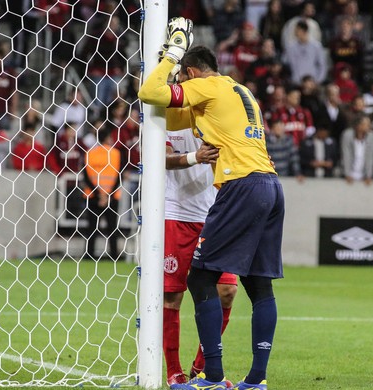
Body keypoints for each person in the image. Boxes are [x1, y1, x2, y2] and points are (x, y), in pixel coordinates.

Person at [138, 18, 284, 390]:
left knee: (200, 278)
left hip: (240, 186)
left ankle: (211, 376)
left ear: (191, 74)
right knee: (259, 286)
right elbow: (168, 113)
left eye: (184, 79)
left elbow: (149, 93)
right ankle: (256, 380)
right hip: (270, 185)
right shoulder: (240, 91)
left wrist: (170, 54)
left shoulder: (206, 88)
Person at [163, 128, 238, 386]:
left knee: (227, 290)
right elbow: (160, 159)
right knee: (172, 295)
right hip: (177, 214)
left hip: (214, 217)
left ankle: (202, 367)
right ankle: (174, 371)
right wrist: (196, 156)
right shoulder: (166, 115)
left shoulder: (215, 115)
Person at [83, 127, 122, 260]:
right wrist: (107, 195)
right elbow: (119, 176)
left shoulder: (89, 153)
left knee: (92, 228)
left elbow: (86, 176)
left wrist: (99, 194)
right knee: (112, 228)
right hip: (112, 196)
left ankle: (89, 255)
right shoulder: (116, 153)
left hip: (93, 196)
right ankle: (114, 256)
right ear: (108, 138)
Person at [341, 114, 373, 185]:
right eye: (366, 124)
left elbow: (370, 157)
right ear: (358, 125)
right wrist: (347, 174)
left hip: (364, 175)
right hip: (349, 174)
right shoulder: (348, 135)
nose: (369, 126)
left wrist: (369, 175)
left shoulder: (371, 136)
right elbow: (346, 155)